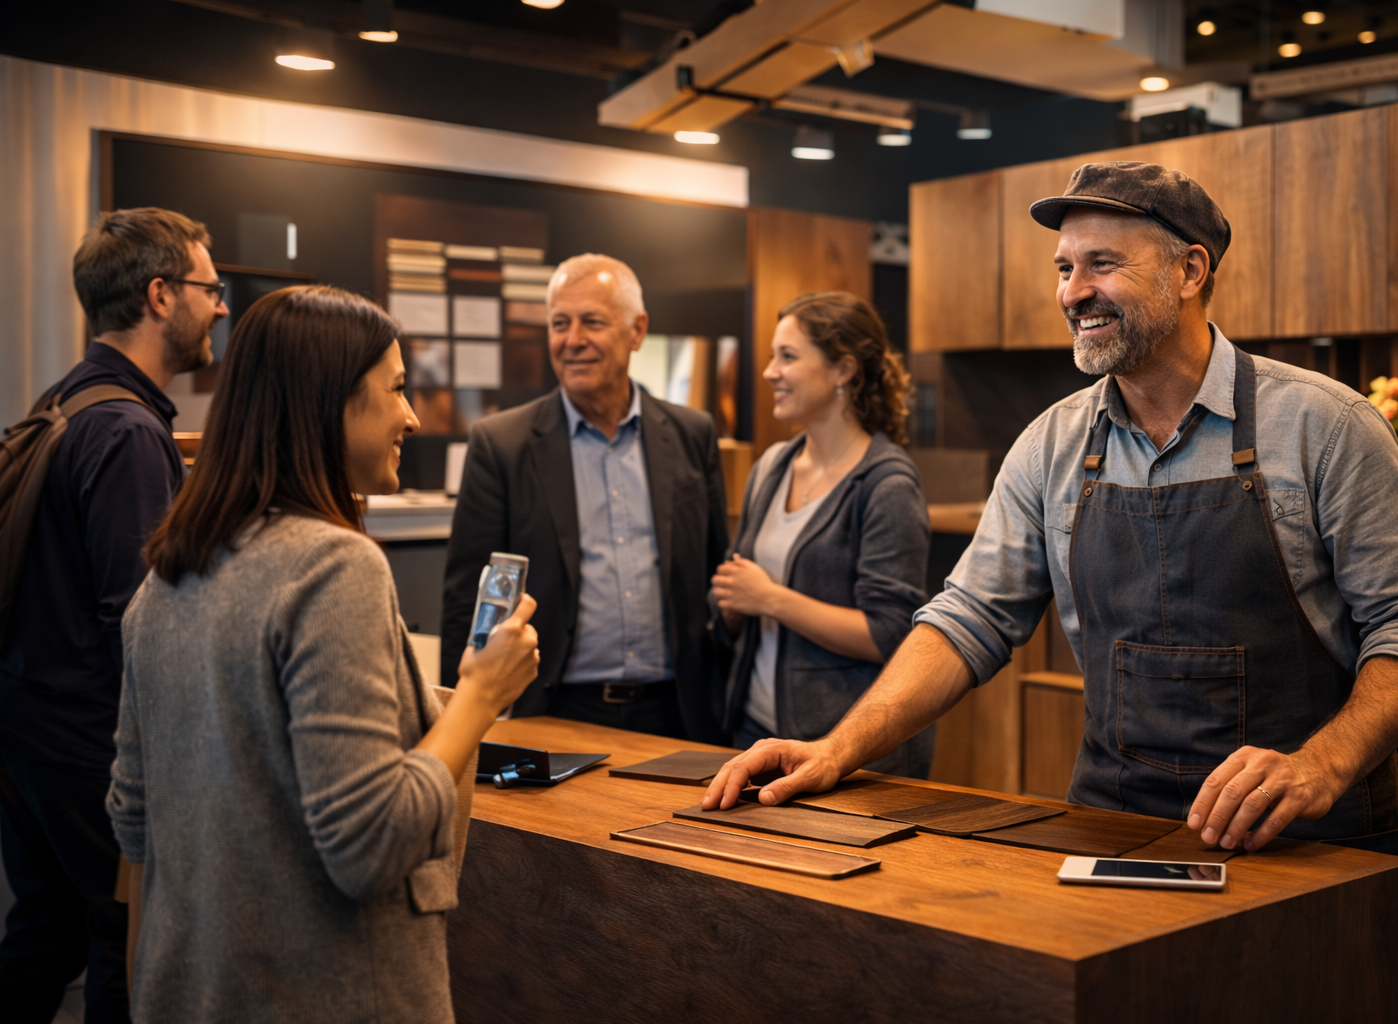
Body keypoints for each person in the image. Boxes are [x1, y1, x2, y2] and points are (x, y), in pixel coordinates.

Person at [705, 162, 1398, 858]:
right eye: (1065, 268)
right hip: (1117, 822)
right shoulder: (1052, 446)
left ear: (1190, 270)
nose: (1073, 292)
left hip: (1312, 836)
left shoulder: (1325, 426)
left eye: (1102, 264)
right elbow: (968, 618)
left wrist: (1320, 765)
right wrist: (836, 749)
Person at [106, 286, 540, 1021]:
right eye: (396, 389)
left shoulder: (167, 580)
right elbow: (371, 842)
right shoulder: (335, 567)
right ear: (330, 401)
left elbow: (137, 845)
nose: (412, 416)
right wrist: (480, 696)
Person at [0, 207, 227, 1023]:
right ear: (161, 296)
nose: (221, 307)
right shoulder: (128, 431)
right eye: (210, 288)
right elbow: (141, 625)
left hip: (28, 732)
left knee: (44, 934)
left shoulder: (65, 400)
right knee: (127, 948)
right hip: (92, 752)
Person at [442, 254, 729, 742]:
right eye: (560, 323)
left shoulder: (692, 434)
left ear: (637, 331)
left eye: (592, 322)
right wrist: (461, 728)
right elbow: (465, 599)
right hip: (553, 711)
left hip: (679, 714)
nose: (572, 340)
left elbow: (714, 572)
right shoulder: (502, 445)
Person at [712, 292, 931, 776]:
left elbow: (891, 634)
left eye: (788, 356)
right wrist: (731, 604)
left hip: (842, 748)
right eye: (772, 356)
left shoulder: (887, 484)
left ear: (843, 370)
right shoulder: (771, 466)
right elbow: (738, 593)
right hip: (754, 733)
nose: (769, 372)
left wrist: (770, 599)